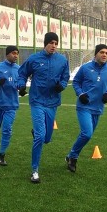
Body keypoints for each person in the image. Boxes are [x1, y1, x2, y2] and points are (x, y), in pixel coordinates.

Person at [17, 32, 70, 184]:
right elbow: (22, 73)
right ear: (45, 43)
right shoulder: (34, 59)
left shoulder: (62, 60)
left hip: (52, 102)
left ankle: (38, 133)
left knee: (46, 139)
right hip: (37, 101)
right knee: (40, 136)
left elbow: (65, 77)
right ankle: (34, 171)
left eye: (56, 43)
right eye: (51, 43)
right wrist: (21, 86)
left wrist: (62, 85)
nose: (54, 45)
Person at [65, 44, 107, 173]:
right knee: (87, 133)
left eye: (106, 53)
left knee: (87, 135)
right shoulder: (85, 68)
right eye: (101, 52)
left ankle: (71, 155)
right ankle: (73, 158)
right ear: (96, 54)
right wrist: (81, 94)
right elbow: (76, 82)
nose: (104, 55)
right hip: (84, 106)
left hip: (98, 108)